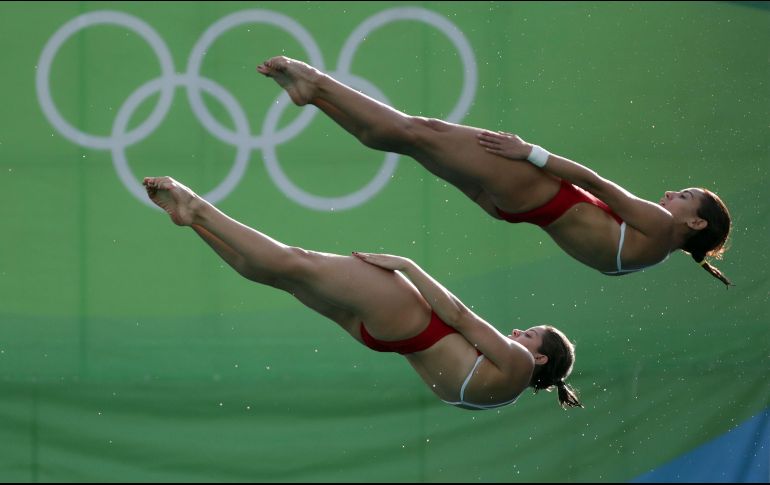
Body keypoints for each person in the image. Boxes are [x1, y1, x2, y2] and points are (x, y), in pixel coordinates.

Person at [256, 56, 732, 286]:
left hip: (534, 188)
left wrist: (530, 152)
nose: (672, 193)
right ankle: (312, 96)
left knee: (417, 130)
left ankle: (316, 82)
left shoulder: (658, 225)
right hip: (513, 209)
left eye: (685, 196)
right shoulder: (647, 257)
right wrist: (497, 200)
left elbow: (593, 182)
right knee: (403, 141)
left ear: (695, 223)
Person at [142, 176, 582, 411]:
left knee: (294, 262)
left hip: (410, 318)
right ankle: (193, 223)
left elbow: (461, 316)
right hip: (383, 339)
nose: (519, 332)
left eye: (530, 334)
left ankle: (197, 207)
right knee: (278, 275)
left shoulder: (518, 365)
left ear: (539, 358)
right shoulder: (497, 399)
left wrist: (409, 267)